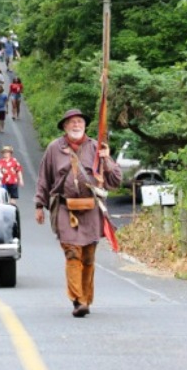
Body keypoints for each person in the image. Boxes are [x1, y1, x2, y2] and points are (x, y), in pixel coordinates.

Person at [34, 109, 122, 318]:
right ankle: (77, 300)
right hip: (65, 208)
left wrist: (106, 159)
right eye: (71, 122)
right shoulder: (54, 148)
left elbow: (116, 180)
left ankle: (86, 298)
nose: (76, 125)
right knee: (73, 253)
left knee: (89, 256)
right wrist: (39, 205)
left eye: (79, 121)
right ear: (65, 126)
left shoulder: (96, 146)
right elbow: (44, 179)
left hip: (91, 209)